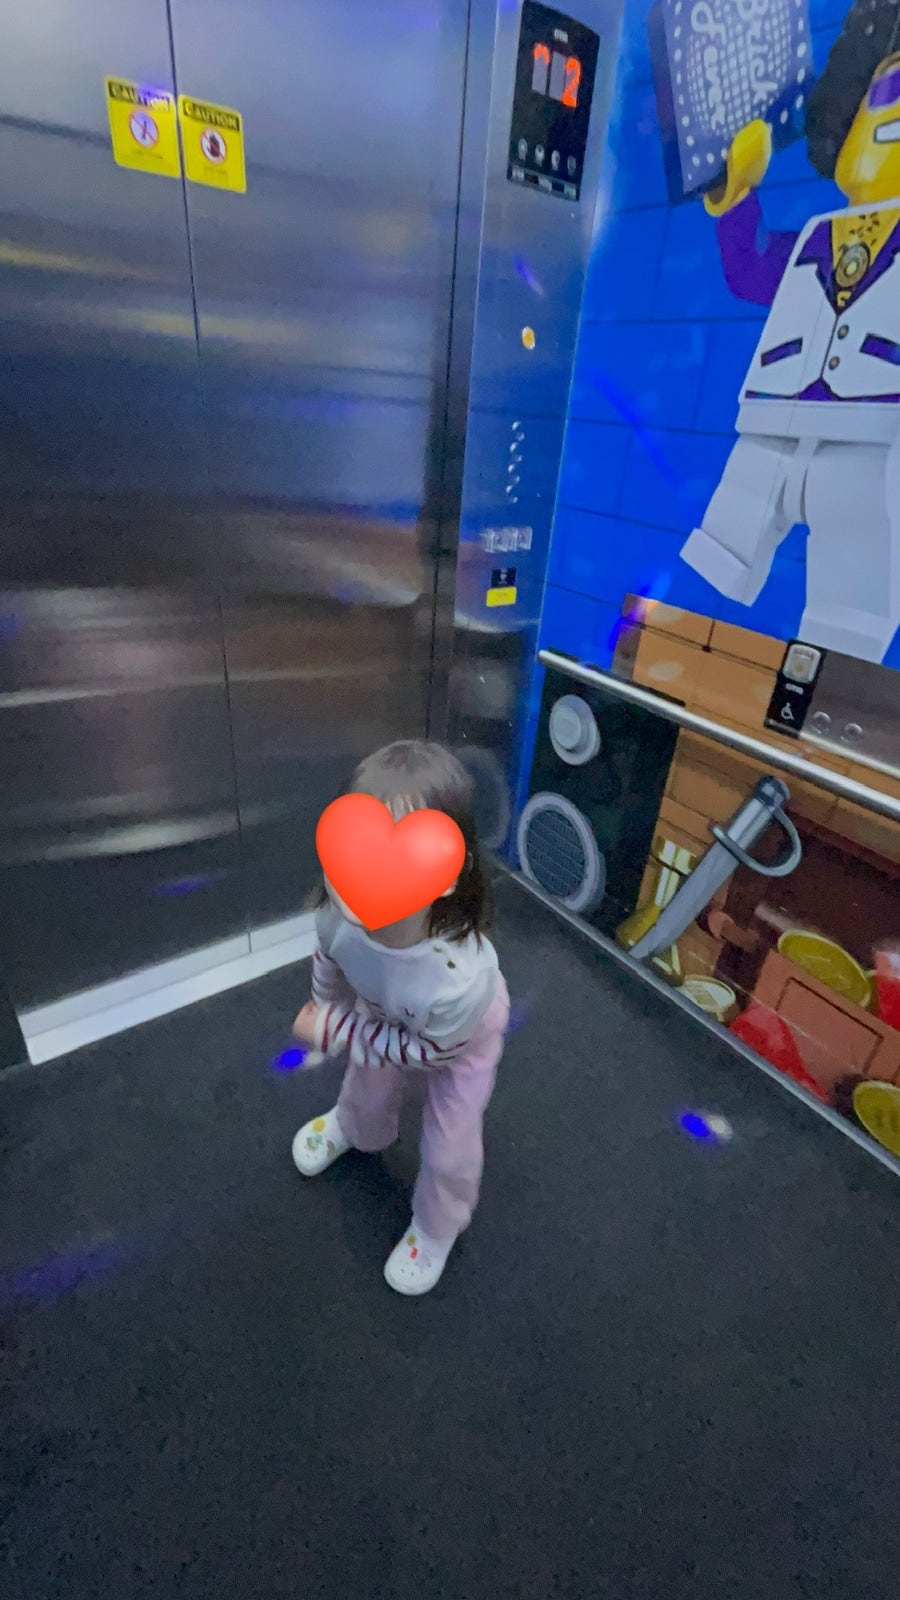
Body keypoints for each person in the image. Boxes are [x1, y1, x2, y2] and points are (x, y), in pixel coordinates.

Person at [680, 0, 900, 664]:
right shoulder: (816, 237)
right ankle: (686, 652)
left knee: (849, 604)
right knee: (723, 546)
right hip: (772, 421)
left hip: (869, 441)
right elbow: (751, 270)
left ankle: (817, 694)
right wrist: (735, 196)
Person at [290, 740, 510, 1296]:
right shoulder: (335, 916)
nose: (367, 875)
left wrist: (337, 1031)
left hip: (458, 1039)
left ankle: (437, 1227)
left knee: (450, 1144)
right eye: (358, 850)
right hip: (383, 1008)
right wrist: (326, 1009)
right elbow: (330, 964)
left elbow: (428, 1054)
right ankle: (356, 1127)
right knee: (366, 1084)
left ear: (449, 875)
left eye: (397, 859)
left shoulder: (459, 978)